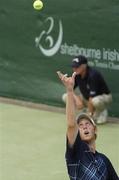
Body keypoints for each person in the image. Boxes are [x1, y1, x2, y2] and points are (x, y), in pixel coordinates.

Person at [57, 71, 119, 180]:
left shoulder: (103, 160)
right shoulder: (76, 152)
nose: (84, 126)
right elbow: (71, 125)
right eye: (80, 125)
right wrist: (70, 90)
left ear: (95, 129)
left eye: (87, 124)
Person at [62, 55, 112, 124]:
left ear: (84, 66)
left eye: (77, 66)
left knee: (95, 101)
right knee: (66, 96)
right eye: (73, 66)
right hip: (87, 97)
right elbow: (70, 89)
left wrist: (89, 116)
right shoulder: (76, 74)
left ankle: (102, 112)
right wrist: (77, 99)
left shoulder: (93, 75)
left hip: (103, 97)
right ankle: (83, 114)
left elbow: (91, 98)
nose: (74, 69)